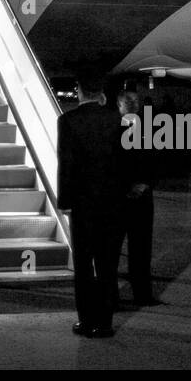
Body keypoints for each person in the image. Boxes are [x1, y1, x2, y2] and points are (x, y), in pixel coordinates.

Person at [57, 79, 132, 337]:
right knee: (108, 264)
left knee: (84, 264)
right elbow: (126, 162)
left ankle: (86, 320)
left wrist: (65, 202)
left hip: (82, 203)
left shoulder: (68, 121)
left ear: (79, 93)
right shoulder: (118, 120)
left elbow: (65, 164)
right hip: (112, 202)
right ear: (100, 94)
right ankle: (105, 323)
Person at [115, 90, 159, 306]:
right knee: (115, 250)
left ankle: (142, 294)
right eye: (127, 101)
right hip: (124, 196)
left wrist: (143, 183)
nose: (132, 104)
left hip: (134, 196)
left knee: (141, 250)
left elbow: (158, 159)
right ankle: (121, 294)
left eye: (134, 101)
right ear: (119, 104)